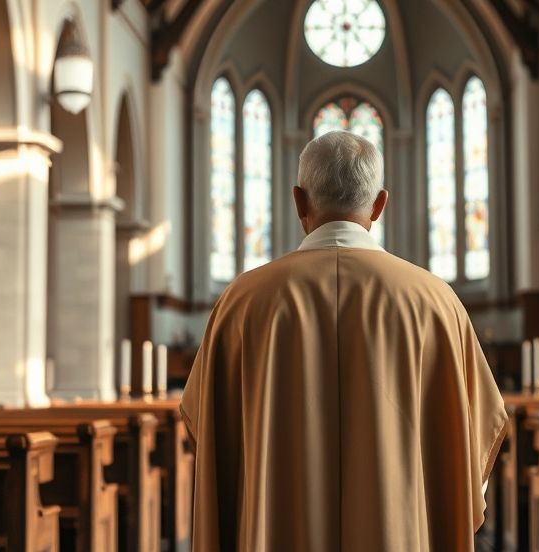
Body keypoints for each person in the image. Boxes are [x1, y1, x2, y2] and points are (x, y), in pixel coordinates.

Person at [180, 130, 507, 551]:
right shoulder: (435, 302)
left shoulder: (241, 302)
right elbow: (473, 440)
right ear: (379, 204)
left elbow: (209, 431)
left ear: (299, 201)